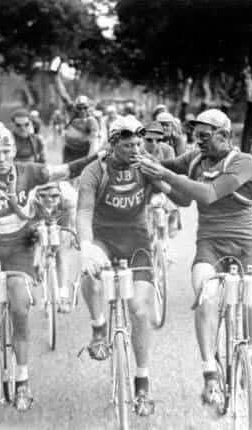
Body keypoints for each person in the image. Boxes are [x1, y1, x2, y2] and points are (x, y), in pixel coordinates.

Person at [0, 126, 101, 411]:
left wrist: (100, 156)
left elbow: (67, 170)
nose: (1, 157)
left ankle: (22, 380)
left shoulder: (28, 171)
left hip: (20, 248)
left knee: (20, 308)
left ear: (13, 151)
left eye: (6, 151)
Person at [135, 109, 252, 407]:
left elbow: (206, 195)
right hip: (210, 244)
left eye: (205, 136)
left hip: (245, 243)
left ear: (224, 135)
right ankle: (209, 373)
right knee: (205, 295)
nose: (198, 142)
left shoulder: (244, 162)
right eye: (195, 137)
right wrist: (141, 162)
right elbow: (181, 195)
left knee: (251, 297)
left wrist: (164, 175)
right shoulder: (194, 159)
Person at [76, 115, 176, 417]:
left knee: (140, 310)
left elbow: (175, 193)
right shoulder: (95, 170)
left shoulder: (144, 166)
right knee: (91, 275)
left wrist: (165, 182)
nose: (135, 149)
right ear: (113, 143)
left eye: (138, 144)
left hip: (137, 242)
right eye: (128, 144)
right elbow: (83, 211)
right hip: (103, 237)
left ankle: (142, 382)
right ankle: (98, 328)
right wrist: (86, 246)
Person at [30, 181, 77, 313]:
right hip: (39, 218)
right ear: (37, 195)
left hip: (63, 218)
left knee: (61, 253)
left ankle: (63, 296)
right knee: (37, 244)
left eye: (54, 196)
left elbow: (73, 221)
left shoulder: (69, 199)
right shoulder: (32, 200)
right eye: (43, 196)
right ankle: (42, 288)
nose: (48, 200)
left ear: (60, 195)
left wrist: (74, 235)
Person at [142, 122, 181, 238]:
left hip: (161, 187)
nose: (154, 143)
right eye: (149, 140)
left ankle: (173, 219)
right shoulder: (137, 149)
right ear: (143, 139)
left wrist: (152, 161)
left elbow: (171, 172)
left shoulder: (167, 150)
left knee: (174, 199)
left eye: (158, 140)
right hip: (143, 187)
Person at [54, 71, 99, 162]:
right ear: (76, 107)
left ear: (88, 108)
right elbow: (63, 95)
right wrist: (56, 78)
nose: (82, 110)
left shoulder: (91, 121)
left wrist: (89, 158)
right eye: (80, 108)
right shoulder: (72, 111)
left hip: (83, 151)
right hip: (69, 150)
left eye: (85, 108)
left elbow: (93, 141)